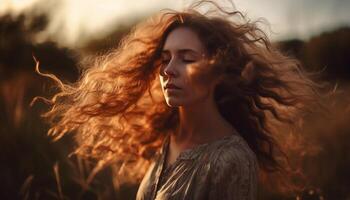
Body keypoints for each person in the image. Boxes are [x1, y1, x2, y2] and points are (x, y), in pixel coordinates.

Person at [35, 1, 326, 199]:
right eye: (165, 59)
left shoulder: (233, 161)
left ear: (216, 71)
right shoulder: (170, 138)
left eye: (187, 58)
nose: (168, 70)